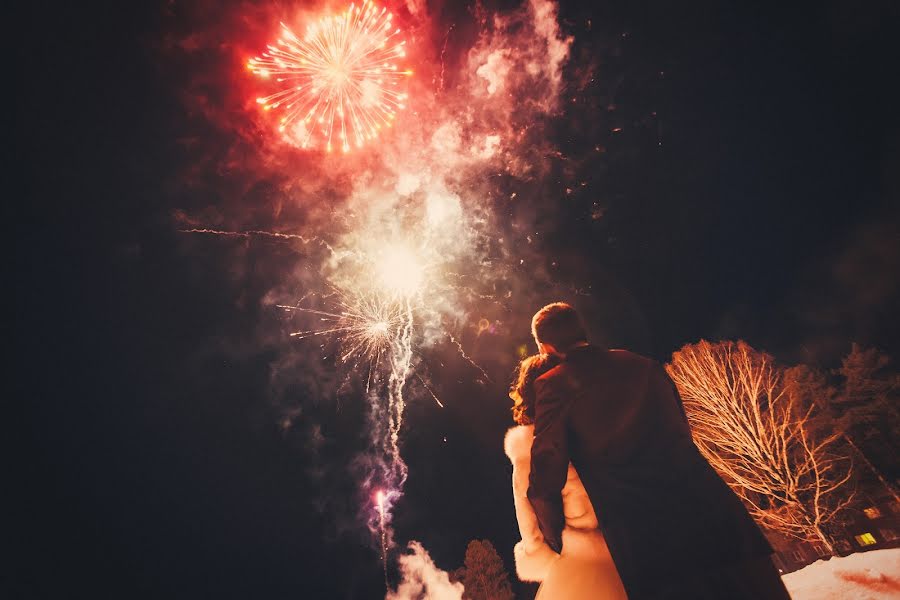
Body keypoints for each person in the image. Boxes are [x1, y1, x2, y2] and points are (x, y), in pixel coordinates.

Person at [526, 302, 792, 599]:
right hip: (714, 514)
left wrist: (556, 536)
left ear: (544, 346)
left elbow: (547, 470)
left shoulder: (552, 386)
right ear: (582, 330)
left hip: (648, 537)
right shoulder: (640, 363)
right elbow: (681, 428)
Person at [505, 353, 628, 599]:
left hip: (579, 571)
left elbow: (531, 532)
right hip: (631, 553)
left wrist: (550, 560)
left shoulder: (528, 453)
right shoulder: (605, 428)